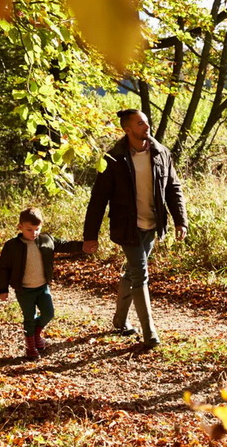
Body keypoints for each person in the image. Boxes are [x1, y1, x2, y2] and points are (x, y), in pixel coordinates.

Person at [83, 109, 188, 349]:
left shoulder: (161, 153)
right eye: (141, 124)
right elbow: (98, 199)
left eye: (147, 122)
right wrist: (90, 236)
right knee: (140, 274)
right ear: (127, 129)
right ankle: (150, 332)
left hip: (152, 225)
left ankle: (119, 321)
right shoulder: (112, 159)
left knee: (132, 272)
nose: (147, 127)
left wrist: (180, 220)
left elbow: (173, 188)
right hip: (127, 226)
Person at [0, 207, 85, 360]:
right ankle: (31, 346)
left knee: (49, 313)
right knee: (29, 318)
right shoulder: (12, 246)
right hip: (24, 290)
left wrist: (83, 246)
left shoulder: (46, 239)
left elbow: (64, 245)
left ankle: (36, 334)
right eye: (29, 229)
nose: (34, 233)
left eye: (37, 229)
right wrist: (3, 289)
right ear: (20, 227)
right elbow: (3, 268)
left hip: (42, 287)